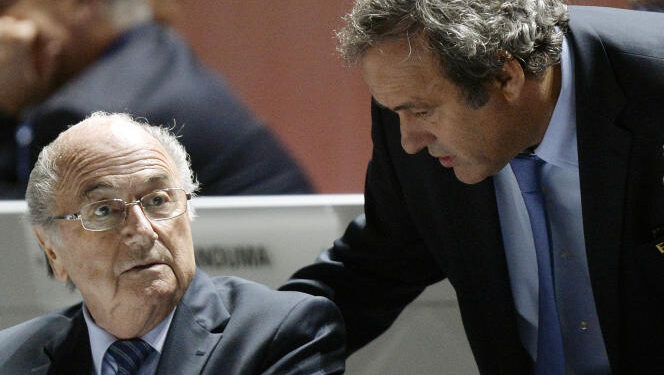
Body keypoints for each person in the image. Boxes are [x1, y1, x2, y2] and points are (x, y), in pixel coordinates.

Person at [281, 0, 664, 373]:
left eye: (421, 111)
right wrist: (242, 342)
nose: (409, 141)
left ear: (505, 77)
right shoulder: (414, 101)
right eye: (396, 111)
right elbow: (375, 268)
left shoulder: (652, 86)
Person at [0, 112, 345, 374]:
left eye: (157, 201)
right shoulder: (11, 359)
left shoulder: (282, 335)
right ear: (52, 251)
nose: (144, 231)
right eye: (104, 210)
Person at [0, 0, 312, 199]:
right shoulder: (148, 55)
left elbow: (26, 251)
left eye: (6, 7)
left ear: (81, 5)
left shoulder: (93, 117)